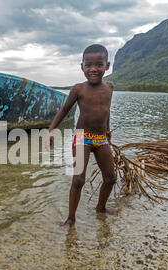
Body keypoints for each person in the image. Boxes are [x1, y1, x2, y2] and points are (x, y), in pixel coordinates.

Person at [46, 44, 118, 230]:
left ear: (107, 66)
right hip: (82, 138)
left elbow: (106, 111)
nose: (93, 69)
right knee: (78, 180)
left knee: (110, 178)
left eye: (99, 64)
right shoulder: (78, 89)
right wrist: (50, 130)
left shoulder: (109, 87)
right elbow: (63, 110)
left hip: (101, 139)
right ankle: (71, 218)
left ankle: (100, 208)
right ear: (82, 67)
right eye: (89, 65)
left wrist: (108, 130)